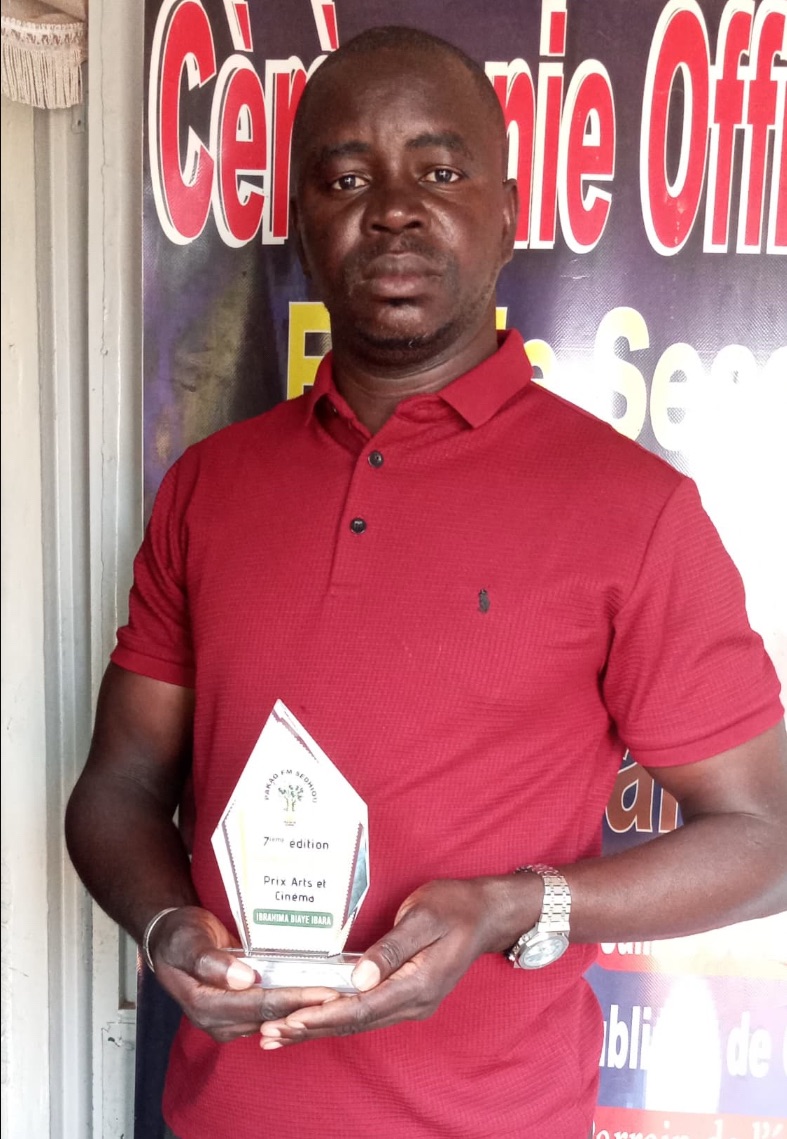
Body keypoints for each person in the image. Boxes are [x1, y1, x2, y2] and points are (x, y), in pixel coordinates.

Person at [65, 25, 787, 1139]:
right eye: (347, 178)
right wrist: (167, 927)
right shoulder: (211, 486)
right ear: (302, 224)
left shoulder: (631, 508)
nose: (393, 209)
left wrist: (518, 904)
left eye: (439, 173)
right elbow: (117, 786)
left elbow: (765, 833)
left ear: (507, 215)